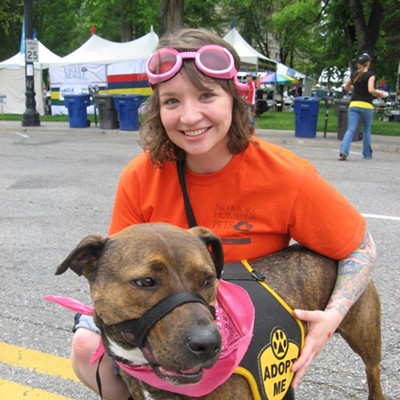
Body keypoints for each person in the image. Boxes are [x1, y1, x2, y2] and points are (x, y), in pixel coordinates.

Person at [71, 28, 377, 400]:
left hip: (254, 318)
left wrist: (332, 318)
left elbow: (360, 248)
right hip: (173, 314)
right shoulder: (141, 175)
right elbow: (120, 273)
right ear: (157, 110)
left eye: (206, 96)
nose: (189, 116)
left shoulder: (286, 175)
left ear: (234, 99)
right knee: (87, 347)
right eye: (171, 101)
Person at [339, 52, 389, 160]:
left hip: (354, 104)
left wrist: (355, 89)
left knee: (351, 129)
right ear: (368, 63)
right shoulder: (370, 75)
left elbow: (346, 87)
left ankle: (344, 151)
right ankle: (367, 154)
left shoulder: (354, 74)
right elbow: (370, 90)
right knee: (366, 130)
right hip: (366, 106)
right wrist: (380, 93)